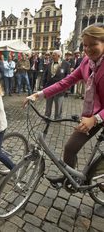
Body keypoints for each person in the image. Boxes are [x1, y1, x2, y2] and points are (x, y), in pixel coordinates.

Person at [25, 23, 104, 182]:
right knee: (69, 148)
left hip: (97, 116)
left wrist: (95, 119)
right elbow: (66, 82)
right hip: (92, 114)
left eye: (93, 44)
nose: (88, 49)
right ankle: (70, 178)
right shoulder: (85, 62)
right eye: (85, 45)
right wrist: (39, 94)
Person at [42, 50, 71, 119]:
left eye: (54, 54)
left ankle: (57, 117)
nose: (52, 56)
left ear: (59, 56)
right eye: (52, 54)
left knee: (58, 104)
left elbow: (68, 77)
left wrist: (67, 88)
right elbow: (45, 75)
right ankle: (47, 115)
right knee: (48, 103)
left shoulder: (66, 64)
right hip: (49, 87)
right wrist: (43, 85)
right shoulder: (49, 64)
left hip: (60, 88)